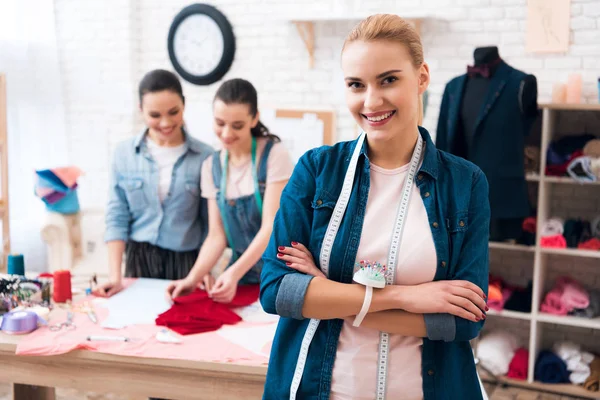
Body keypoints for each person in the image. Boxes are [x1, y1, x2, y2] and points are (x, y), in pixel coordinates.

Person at [260, 14, 490, 400]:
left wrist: (327, 293)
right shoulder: (316, 171)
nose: (371, 101)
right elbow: (277, 292)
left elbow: (461, 320)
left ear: (421, 77)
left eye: (388, 80)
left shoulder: (465, 183)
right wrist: (406, 297)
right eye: (356, 85)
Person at [166, 78, 293, 303]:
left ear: (254, 118)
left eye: (237, 125)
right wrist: (191, 279)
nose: (226, 133)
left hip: (280, 274)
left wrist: (234, 272)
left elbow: (270, 228)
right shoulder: (211, 166)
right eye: (220, 123)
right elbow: (216, 235)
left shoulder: (274, 155)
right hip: (243, 278)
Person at [97, 69, 213, 297]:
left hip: (186, 262)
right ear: (141, 110)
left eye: (173, 112)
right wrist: (115, 276)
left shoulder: (205, 156)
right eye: (155, 115)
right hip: (138, 258)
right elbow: (117, 214)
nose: (166, 122)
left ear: (184, 105)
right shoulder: (124, 154)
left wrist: (204, 270)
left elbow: (210, 224)